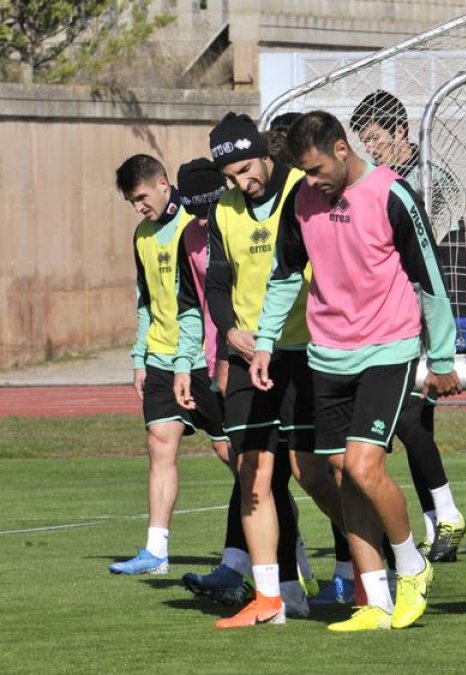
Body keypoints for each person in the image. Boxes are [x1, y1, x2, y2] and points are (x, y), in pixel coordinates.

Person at [250, 110, 461, 632]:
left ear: (341, 150)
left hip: (387, 349)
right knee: (342, 472)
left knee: (365, 467)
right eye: (303, 171)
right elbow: (284, 276)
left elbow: (430, 277)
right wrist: (264, 342)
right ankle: (375, 601)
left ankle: (412, 565)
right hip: (328, 354)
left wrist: (442, 358)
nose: (311, 180)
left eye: (316, 168)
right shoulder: (301, 200)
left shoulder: (393, 194)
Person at [187, 112, 339, 627]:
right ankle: (273, 597)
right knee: (254, 471)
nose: (241, 182)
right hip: (246, 357)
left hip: (303, 350)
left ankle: (369, 559)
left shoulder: (304, 190)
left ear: (264, 155)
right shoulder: (225, 210)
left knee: (313, 474)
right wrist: (229, 330)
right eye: (230, 175)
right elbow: (217, 283)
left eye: (246, 169)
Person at [349, 91, 466, 564]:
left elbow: (447, 254)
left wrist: (454, 322)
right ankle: (437, 526)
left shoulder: (429, 181)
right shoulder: (377, 182)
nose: (370, 147)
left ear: (400, 130)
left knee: (410, 421)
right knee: (416, 426)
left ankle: (446, 515)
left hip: (425, 323)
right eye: (364, 140)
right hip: (394, 319)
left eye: (375, 137)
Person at [109, 154, 229, 576]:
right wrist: (139, 357)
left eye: (142, 197)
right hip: (161, 357)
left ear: (163, 183)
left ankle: (284, 545)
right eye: (132, 202)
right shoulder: (142, 235)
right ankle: (156, 551)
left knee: (231, 451)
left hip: (201, 358)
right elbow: (145, 299)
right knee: (159, 442)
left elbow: (199, 301)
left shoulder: (198, 223)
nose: (139, 207)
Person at [169, 157, 253, 605]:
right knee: (245, 465)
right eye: (194, 211)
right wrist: (185, 366)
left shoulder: (241, 218)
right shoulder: (190, 236)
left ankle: (355, 565)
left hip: (263, 354)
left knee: (309, 469)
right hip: (217, 363)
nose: (202, 219)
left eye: (207, 208)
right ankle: (251, 570)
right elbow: (190, 306)